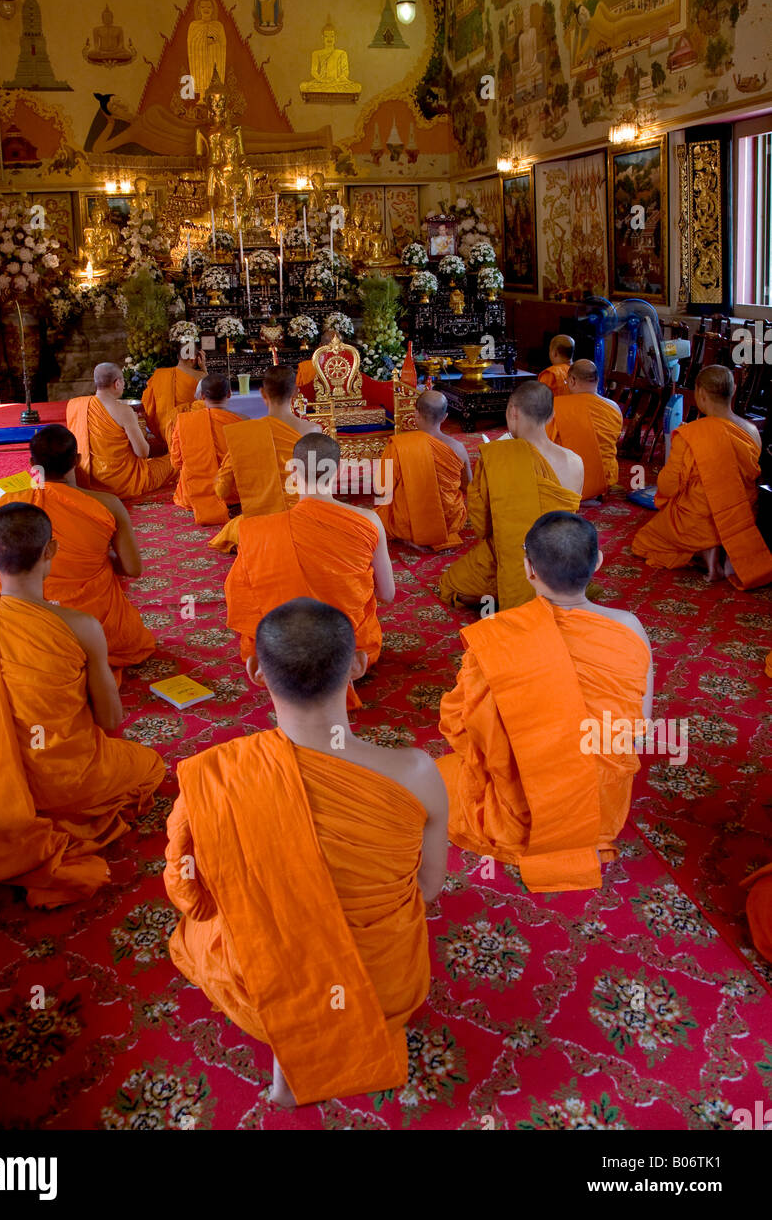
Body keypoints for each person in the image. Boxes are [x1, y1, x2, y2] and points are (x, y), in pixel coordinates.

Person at [163, 598, 447, 1107]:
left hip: (266, 990)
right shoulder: (419, 772)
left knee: (196, 932)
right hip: (387, 987)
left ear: (254, 672)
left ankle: (291, 1043)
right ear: (359, 665)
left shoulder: (215, 779)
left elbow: (192, 896)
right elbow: (428, 887)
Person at [0, 503, 164, 908]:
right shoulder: (81, 627)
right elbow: (110, 720)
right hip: (69, 784)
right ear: (51, 551)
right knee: (149, 766)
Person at [439, 512, 653, 892]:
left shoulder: (497, 638)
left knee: (435, 779)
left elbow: (460, 726)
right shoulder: (630, 628)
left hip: (525, 813)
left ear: (528, 569)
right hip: (601, 811)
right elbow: (637, 732)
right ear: (599, 562)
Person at [224, 434, 394, 707]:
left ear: (292, 469)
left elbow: (239, 600)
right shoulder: (369, 521)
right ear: (338, 471)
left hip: (280, 655)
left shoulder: (258, 530)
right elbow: (387, 593)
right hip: (348, 653)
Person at [0, 425, 154, 672]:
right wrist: (97, 559)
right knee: (132, 641)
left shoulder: (7, 508)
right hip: (98, 627)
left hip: (29, 628)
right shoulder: (107, 504)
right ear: (77, 460)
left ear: (32, 463)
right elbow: (133, 568)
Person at [439, 379, 584, 608]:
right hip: (562, 560)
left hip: (514, 558)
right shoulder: (575, 461)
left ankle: (506, 599)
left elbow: (482, 526)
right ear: (551, 415)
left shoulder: (498, 457)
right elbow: (572, 520)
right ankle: (556, 594)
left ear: (513, 412)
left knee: (450, 586)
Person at [632, 365, 772, 587]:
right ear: (733, 390)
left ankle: (708, 548)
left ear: (701, 394)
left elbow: (669, 485)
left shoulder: (691, 435)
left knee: (644, 541)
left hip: (701, 517)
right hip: (740, 516)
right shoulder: (751, 430)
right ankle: (720, 549)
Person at [209, 364, 319, 552]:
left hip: (262, 521)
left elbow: (221, 490)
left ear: (262, 393)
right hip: (304, 518)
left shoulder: (245, 433)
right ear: (295, 392)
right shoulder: (313, 430)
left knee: (233, 530)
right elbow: (323, 483)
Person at [66, 363, 175, 503]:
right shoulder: (124, 411)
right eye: (123, 381)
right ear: (117, 383)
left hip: (87, 481)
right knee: (175, 461)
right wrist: (137, 426)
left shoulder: (75, 405)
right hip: (122, 483)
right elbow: (143, 452)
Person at [375, 391, 471, 550]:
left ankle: (410, 536)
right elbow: (469, 486)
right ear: (445, 417)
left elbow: (382, 489)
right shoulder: (458, 448)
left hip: (409, 523)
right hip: (449, 522)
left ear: (416, 414)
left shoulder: (400, 446)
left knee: (379, 513)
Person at [171, 373, 245, 526]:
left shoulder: (185, 422)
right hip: (233, 493)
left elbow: (176, 462)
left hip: (192, 493)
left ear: (202, 396)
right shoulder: (242, 422)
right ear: (230, 394)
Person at [546, 358, 623, 499]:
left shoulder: (556, 406)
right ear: (597, 380)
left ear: (572, 380)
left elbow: (544, 444)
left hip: (568, 484)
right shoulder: (614, 407)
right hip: (604, 483)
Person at [141, 344, 207, 451]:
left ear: (178, 356)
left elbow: (147, 404)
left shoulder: (159, 374)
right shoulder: (201, 376)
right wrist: (204, 368)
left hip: (165, 429)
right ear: (195, 358)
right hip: (189, 429)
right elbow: (210, 398)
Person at [295, 329, 335, 400]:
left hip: (312, 408)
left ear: (320, 346)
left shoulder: (307, 367)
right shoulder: (347, 367)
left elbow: (298, 395)